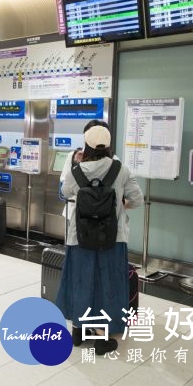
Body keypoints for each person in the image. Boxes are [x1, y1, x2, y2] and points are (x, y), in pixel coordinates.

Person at [56, 125, 143, 355]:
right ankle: (102, 338)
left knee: (80, 281)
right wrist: (120, 205)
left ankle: (78, 330)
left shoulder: (77, 170)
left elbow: (65, 192)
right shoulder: (120, 169)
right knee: (108, 285)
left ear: (87, 145)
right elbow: (137, 199)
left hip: (80, 237)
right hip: (112, 238)